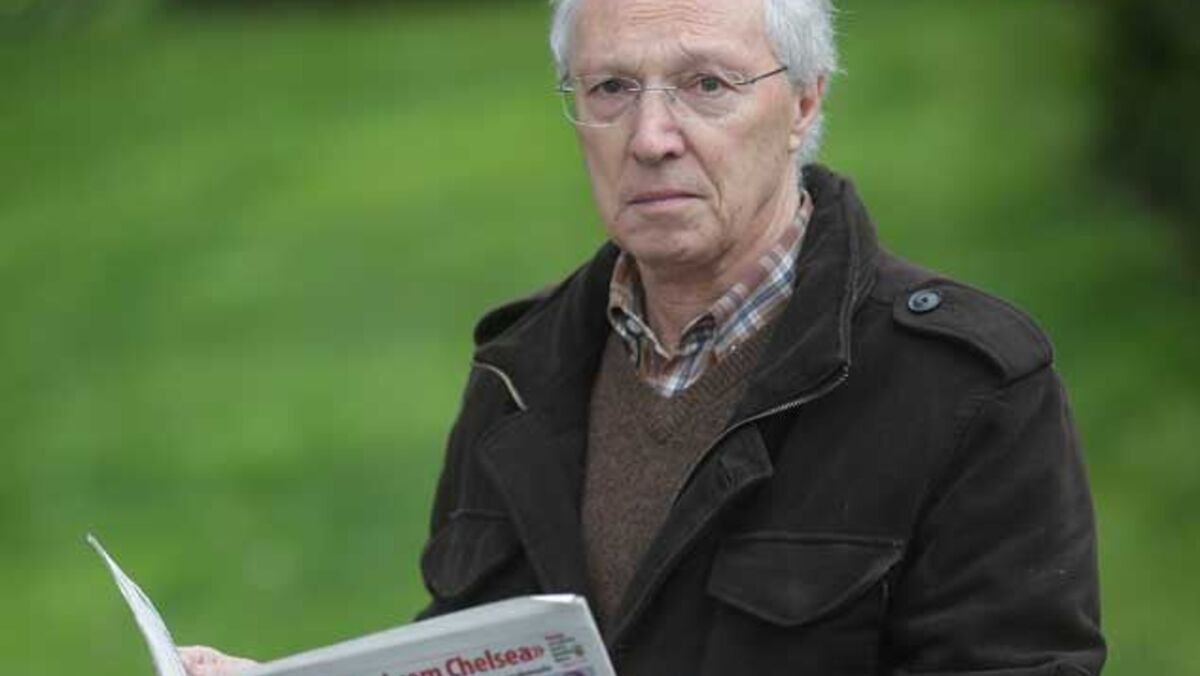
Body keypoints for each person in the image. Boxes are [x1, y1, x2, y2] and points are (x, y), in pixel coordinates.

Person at [182, 0, 1105, 674]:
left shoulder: (967, 387)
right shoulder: (518, 373)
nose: (651, 135)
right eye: (612, 88)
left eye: (707, 84)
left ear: (804, 104)